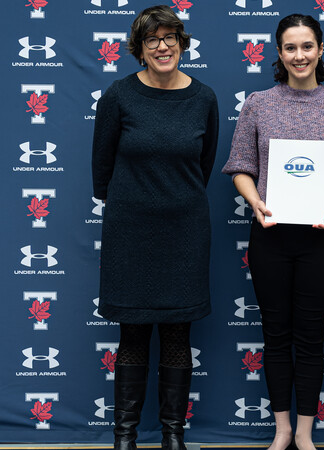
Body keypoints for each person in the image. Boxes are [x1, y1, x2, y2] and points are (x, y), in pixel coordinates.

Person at [223, 14, 324, 450]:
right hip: (270, 235)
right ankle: (281, 429)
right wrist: (255, 201)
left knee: (311, 335)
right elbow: (241, 168)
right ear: (279, 53)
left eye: (307, 46)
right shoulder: (258, 103)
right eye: (290, 47)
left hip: (320, 237)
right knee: (275, 334)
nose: (299, 55)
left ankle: (304, 433)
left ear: (320, 50)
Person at [91, 5, 218, 450]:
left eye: (170, 38)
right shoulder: (119, 95)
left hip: (184, 230)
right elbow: (101, 168)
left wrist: (173, 200)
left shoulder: (204, 97)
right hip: (131, 230)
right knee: (132, 332)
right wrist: (137, 204)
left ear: (182, 43)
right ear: (139, 49)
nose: (162, 46)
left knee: (179, 332)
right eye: (152, 40)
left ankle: (172, 437)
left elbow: (203, 165)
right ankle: (124, 438)